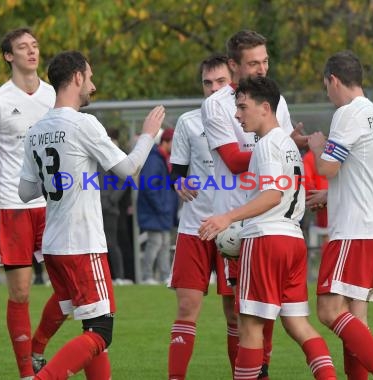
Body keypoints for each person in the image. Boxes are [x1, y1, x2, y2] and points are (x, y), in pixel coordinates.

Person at [18, 50, 165, 379]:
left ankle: (38, 350)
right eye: (90, 76)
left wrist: (60, 177)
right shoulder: (83, 123)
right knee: (101, 331)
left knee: (91, 327)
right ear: (76, 78)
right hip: (82, 241)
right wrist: (148, 136)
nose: (93, 84)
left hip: (54, 243)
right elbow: (128, 169)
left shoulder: (36, 129)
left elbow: (25, 192)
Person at [199, 77, 336, 380]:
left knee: (249, 327)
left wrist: (228, 218)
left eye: (242, 107)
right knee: (298, 325)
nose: (237, 115)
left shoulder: (266, 145)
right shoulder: (288, 145)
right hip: (293, 241)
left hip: (266, 241)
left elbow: (272, 194)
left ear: (264, 107)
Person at [200, 29, 301, 378]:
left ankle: (260, 371)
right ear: (234, 64)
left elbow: (284, 154)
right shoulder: (215, 105)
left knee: (264, 310)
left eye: (265, 61)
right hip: (235, 221)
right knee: (238, 312)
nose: (261, 69)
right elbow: (232, 157)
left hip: (270, 218)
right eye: (253, 63)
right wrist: (284, 141)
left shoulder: (276, 99)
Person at [0, 27, 66, 379]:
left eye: (35, 45)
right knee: (22, 292)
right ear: (8, 56)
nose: (31, 51)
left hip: (53, 204)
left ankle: (38, 345)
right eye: (23, 47)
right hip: (11, 205)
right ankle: (27, 373)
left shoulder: (55, 95)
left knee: (70, 289)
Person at [308, 50, 373, 380]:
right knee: (355, 320)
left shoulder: (347, 113)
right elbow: (360, 172)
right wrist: (329, 195)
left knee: (329, 309)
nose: (329, 94)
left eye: (326, 87)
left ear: (334, 80)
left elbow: (327, 167)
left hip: (354, 231)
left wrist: (317, 146)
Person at [167, 53, 237, 379]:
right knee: (186, 308)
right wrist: (179, 183)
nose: (213, 89)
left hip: (233, 229)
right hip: (194, 228)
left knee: (236, 314)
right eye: (207, 83)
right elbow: (176, 172)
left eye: (220, 82)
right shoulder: (188, 122)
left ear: (232, 81)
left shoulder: (245, 119)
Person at [137, 127, 177, 284]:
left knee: (164, 243)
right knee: (155, 244)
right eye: (174, 142)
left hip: (161, 212)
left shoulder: (162, 159)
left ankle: (165, 275)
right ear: (166, 142)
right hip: (155, 212)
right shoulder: (154, 159)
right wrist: (161, 206)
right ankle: (147, 276)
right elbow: (149, 186)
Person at [100, 129, 131, 285]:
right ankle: (107, 277)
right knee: (100, 244)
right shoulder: (98, 155)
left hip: (109, 208)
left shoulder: (111, 156)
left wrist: (111, 199)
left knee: (111, 243)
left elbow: (124, 180)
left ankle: (119, 276)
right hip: (97, 207)